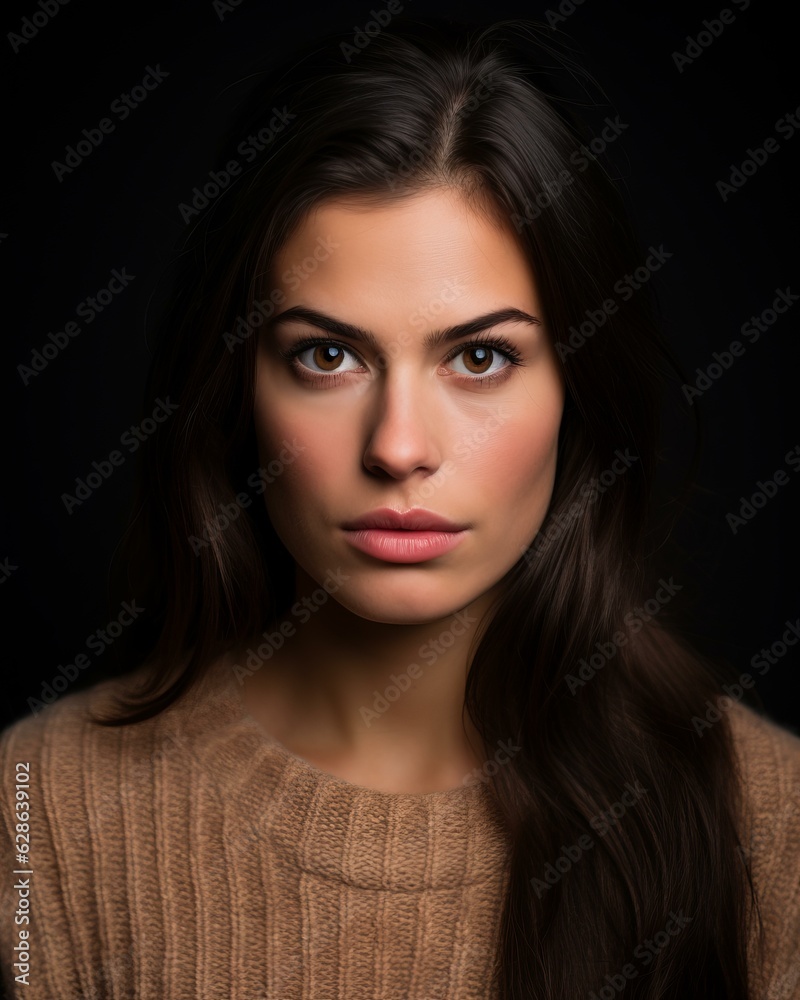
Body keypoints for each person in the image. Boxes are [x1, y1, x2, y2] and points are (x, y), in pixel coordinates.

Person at [1, 14, 799, 1000]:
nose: (397, 448)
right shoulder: (34, 809)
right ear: (234, 389)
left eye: (479, 357)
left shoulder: (768, 821)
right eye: (326, 355)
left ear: (577, 394)